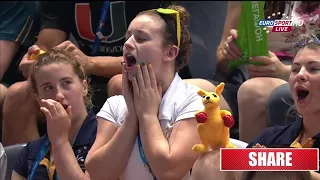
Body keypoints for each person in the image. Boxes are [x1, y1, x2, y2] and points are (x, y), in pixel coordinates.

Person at [1, 1, 188, 146]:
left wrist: (90, 63)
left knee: (120, 83)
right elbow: (47, 47)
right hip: (79, 76)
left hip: (136, 75)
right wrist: (37, 62)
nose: (128, 43)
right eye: (128, 37)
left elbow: (153, 59)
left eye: (137, 37)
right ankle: (34, 168)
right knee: (19, 93)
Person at [85, 5, 205, 180]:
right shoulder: (115, 104)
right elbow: (97, 174)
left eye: (140, 39)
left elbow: (168, 171)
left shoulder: (194, 101)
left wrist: (147, 115)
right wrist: (132, 116)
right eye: (128, 37)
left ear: (170, 53)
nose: (127, 44)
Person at [218, 1, 320, 143]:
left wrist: (288, 72)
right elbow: (221, 64)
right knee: (195, 91)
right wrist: (232, 50)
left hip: (289, 73)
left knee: (252, 91)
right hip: (243, 74)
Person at [11, 49, 96, 180]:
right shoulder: (30, 152)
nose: (59, 96)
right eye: (48, 88)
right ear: (39, 99)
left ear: (84, 87)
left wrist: (60, 141)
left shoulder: (105, 137)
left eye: (66, 83)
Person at [247, 33, 320, 170]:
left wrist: (279, 164)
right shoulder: (270, 137)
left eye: (314, 68)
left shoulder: (274, 156)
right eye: (295, 69)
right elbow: (230, 165)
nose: (300, 75)